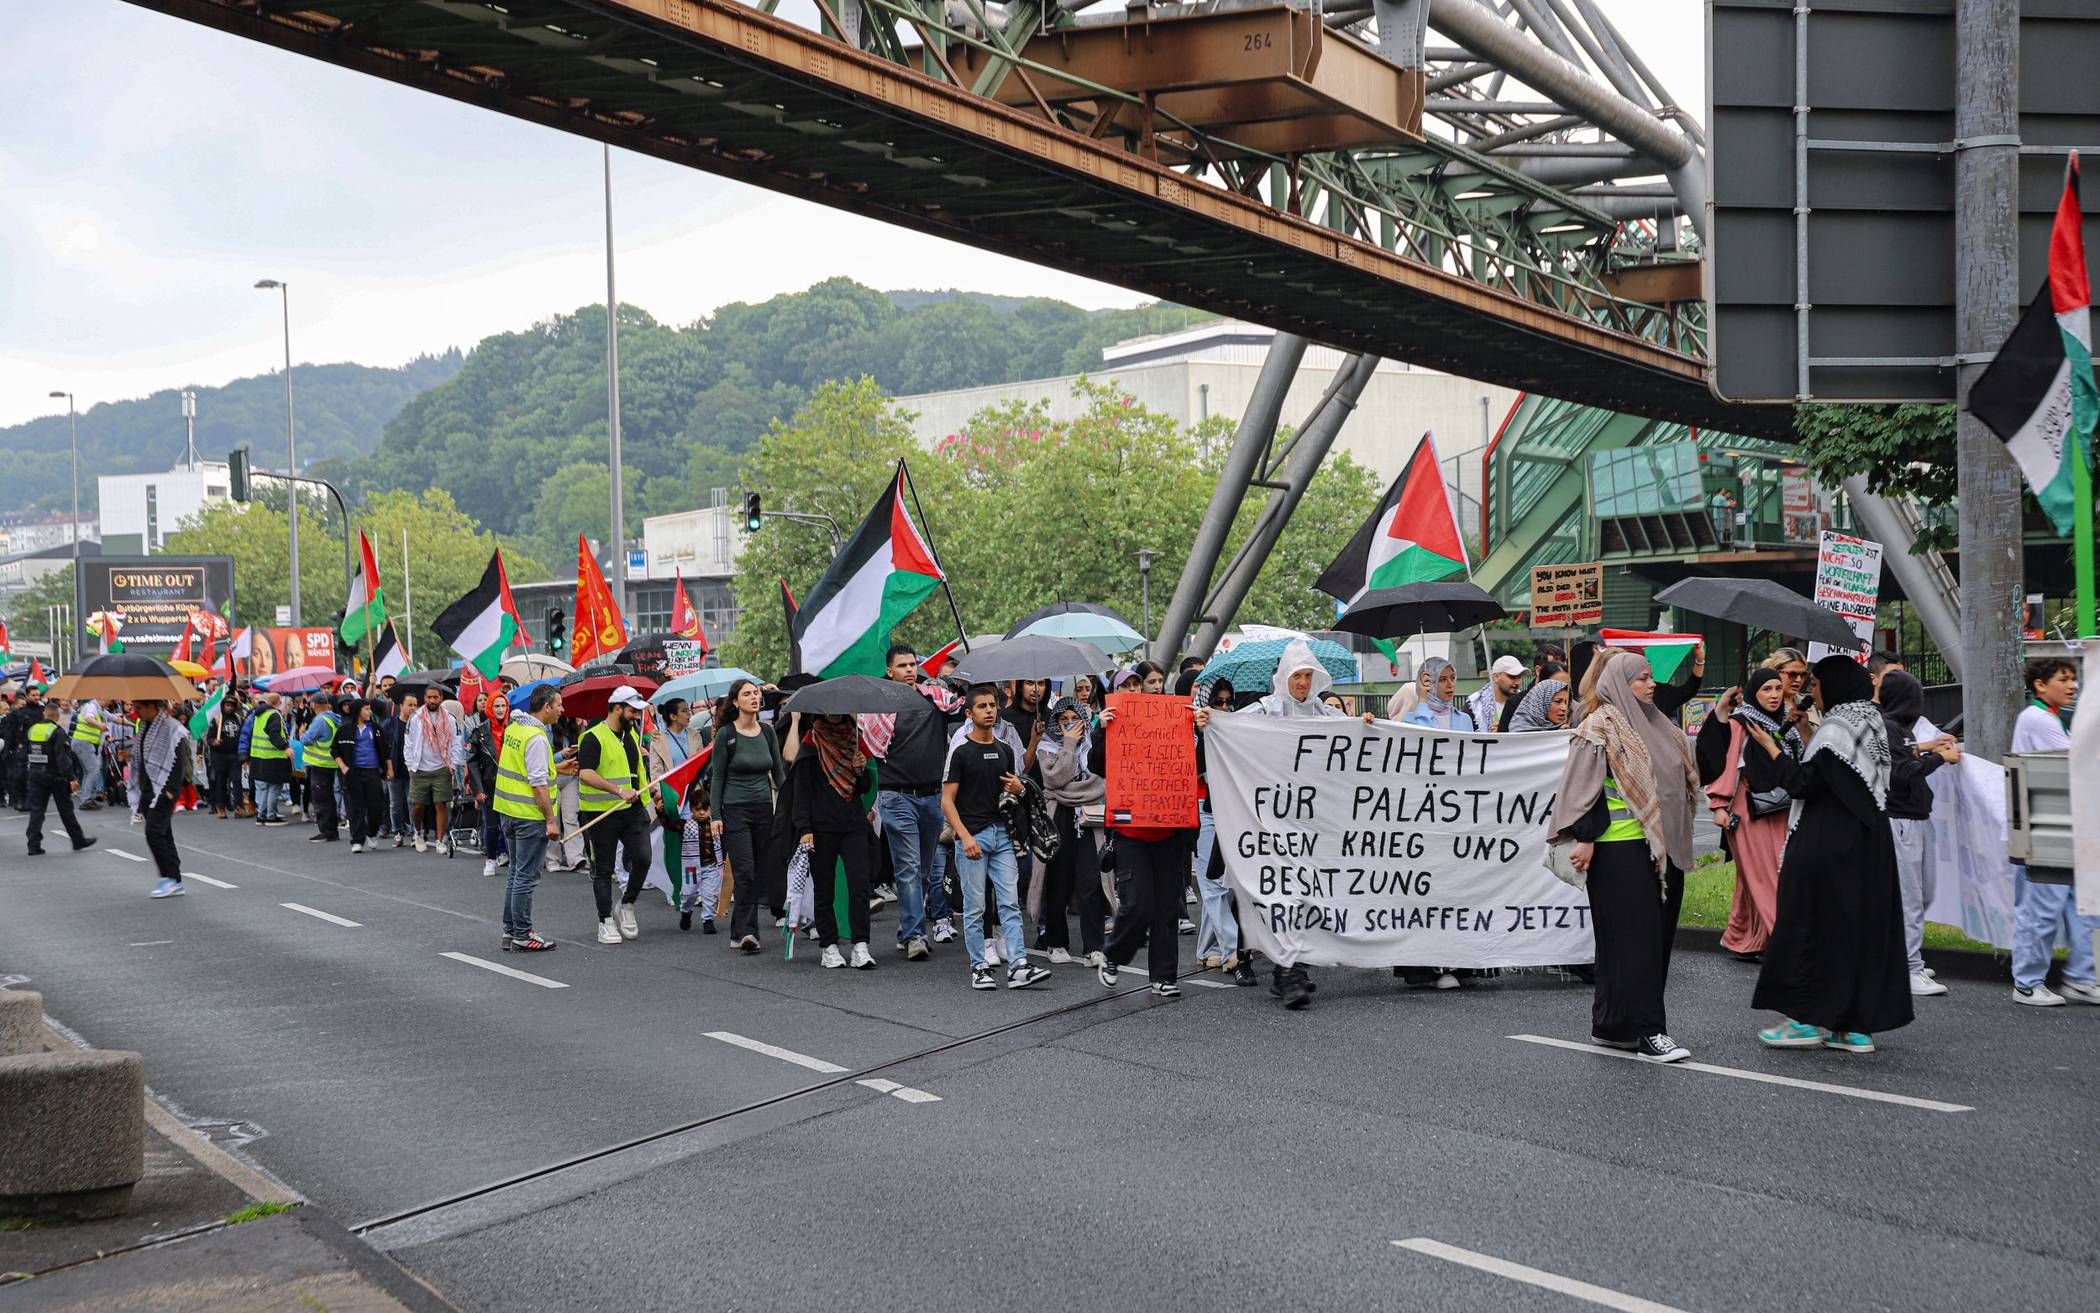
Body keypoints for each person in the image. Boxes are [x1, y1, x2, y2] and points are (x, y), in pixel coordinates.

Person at [1745, 655, 1914, 1053]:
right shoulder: (1867, 721)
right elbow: (1835, 774)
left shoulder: (1837, 727)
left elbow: (1804, 783)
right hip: (1868, 845)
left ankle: (1804, 1020)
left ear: (1835, 686)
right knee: (1856, 932)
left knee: (1809, 925)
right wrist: (1805, 732)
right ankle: (1852, 1026)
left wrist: (1771, 747)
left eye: (1816, 684)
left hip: (1827, 845)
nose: (1810, 692)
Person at [1551, 649, 1701, 1063]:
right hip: (1618, 849)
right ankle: (1650, 1031)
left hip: (1663, 849)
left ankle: (1612, 1025)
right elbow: (1583, 788)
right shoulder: (1598, 726)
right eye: (1642, 678)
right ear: (1619, 682)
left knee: (1652, 939)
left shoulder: (1662, 727)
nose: (1651, 684)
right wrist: (1585, 837)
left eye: (1651, 677)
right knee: (1635, 943)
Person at [943, 685, 1050, 991]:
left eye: (992, 705)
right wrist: (964, 837)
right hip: (972, 837)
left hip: (1002, 834)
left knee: (1009, 903)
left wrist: (1018, 788)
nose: (989, 710)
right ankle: (979, 967)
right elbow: (947, 801)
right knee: (976, 907)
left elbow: (1014, 786)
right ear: (969, 713)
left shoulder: (1004, 749)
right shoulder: (961, 752)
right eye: (981, 706)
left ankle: (1018, 965)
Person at [2006, 657, 2100, 1006]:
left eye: (2074, 679)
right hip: (2044, 832)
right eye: (2064, 679)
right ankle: (2028, 984)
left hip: (2063, 828)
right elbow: (2078, 766)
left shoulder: (2050, 719)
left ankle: (2081, 977)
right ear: (2041, 685)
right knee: (2041, 909)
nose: (2073, 686)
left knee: (2083, 906)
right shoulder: (2039, 720)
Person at [869, 645, 960, 960]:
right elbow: (867, 745)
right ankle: (915, 937)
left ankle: (907, 929)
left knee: (921, 872)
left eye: (912, 664)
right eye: (902, 665)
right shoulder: (877, 708)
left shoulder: (934, 700)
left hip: (932, 796)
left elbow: (965, 706)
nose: (909, 669)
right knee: (908, 869)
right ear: (889, 670)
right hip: (896, 797)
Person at [1704, 669, 1802, 962]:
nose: (1773, 695)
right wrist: (1719, 805)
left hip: (1782, 807)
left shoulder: (1787, 722)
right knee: (1767, 877)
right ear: (1752, 693)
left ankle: (1744, 938)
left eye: (1776, 688)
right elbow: (1727, 763)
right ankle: (1787, 947)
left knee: (1756, 877)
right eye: (1766, 690)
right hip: (1748, 810)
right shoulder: (1741, 722)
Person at [1878, 671, 1959, 996]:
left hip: (1916, 818)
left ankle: (1904, 960)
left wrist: (1928, 748)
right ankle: (1909, 969)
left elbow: (1905, 756)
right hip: (1901, 820)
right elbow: (1898, 772)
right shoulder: (1887, 727)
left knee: (1922, 894)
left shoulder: (1899, 729)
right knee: (1910, 899)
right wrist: (1939, 757)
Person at [793, 712, 879, 970]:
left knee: (859, 883)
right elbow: (801, 788)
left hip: (853, 822)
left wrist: (861, 770)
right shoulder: (811, 741)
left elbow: (863, 786)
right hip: (821, 826)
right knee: (825, 888)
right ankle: (829, 946)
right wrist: (804, 828)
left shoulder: (855, 738)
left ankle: (860, 945)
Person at [708, 678, 785, 953]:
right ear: (736, 701)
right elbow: (718, 777)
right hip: (734, 810)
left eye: (756, 693)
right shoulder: (726, 734)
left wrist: (790, 806)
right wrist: (715, 815)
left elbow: (778, 772)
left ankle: (738, 929)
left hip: (764, 808)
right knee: (745, 871)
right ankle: (748, 932)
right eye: (747, 694)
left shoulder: (767, 732)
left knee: (760, 870)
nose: (754, 697)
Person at [579, 684, 660, 946]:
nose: (636, 716)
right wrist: (617, 790)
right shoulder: (593, 736)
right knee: (603, 869)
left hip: (633, 810)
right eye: (632, 711)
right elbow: (585, 773)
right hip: (601, 813)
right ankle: (605, 921)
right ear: (617, 709)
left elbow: (637, 769)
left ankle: (626, 904)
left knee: (643, 858)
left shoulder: (631, 734)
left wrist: (651, 794)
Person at [491, 683, 563, 953]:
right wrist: (550, 820)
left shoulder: (515, 728)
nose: (561, 709)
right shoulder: (536, 737)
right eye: (558, 704)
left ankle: (511, 931)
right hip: (528, 816)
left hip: (508, 812)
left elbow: (522, 768)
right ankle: (522, 933)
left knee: (514, 874)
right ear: (546, 707)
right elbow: (538, 783)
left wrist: (557, 764)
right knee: (526, 877)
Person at [1036, 695, 1107, 967]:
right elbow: (1053, 778)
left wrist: (1070, 787)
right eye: (1062, 720)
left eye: (1074, 719)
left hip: (1089, 817)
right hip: (1059, 816)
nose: (1069, 724)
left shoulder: (1092, 745)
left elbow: (1099, 782)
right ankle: (1056, 942)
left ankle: (1094, 947)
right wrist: (1068, 744)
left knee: (1092, 880)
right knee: (1058, 880)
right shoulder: (1047, 746)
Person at [23, 697, 95, 857]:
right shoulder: (57, 732)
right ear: (57, 716)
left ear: (44, 714)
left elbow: (27, 751)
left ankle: (33, 845)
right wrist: (72, 778)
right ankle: (78, 840)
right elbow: (62, 758)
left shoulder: (33, 730)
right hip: (54, 776)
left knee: (37, 811)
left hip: (35, 775)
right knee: (66, 810)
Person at [647, 697, 700, 909]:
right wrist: (659, 797)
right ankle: (674, 888)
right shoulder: (658, 739)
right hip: (671, 799)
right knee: (674, 846)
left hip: (693, 798)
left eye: (689, 710)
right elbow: (656, 773)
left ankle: (693, 888)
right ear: (672, 716)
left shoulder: (695, 736)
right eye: (685, 711)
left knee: (693, 847)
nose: (689, 714)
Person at [132, 699, 187, 898]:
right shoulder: (146, 727)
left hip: (164, 790)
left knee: (153, 832)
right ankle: (175, 879)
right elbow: (146, 757)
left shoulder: (171, 728)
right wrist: (127, 756)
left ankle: (168, 877)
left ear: (152, 707)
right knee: (163, 833)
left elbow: (179, 759)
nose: (135, 711)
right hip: (148, 788)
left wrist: (171, 789)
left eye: (138, 708)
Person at [404, 685, 462, 854]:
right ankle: (418, 832)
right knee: (417, 805)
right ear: (424, 698)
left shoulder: (450, 718)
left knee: (441, 804)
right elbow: (408, 743)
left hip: (442, 767)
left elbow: (457, 743)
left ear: (441, 698)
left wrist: (453, 765)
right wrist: (410, 766)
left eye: (435, 697)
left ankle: (440, 838)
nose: (432, 700)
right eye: (429, 697)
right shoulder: (415, 718)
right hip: (419, 768)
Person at [334, 697, 388, 853]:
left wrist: (388, 769)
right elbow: (334, 749)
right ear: (358, 711)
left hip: (373, 772)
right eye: (366, 709)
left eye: (370, 709)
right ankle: (357, 840)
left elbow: (385, 750)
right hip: (354, 773)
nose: (370, 712)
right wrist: (343, 767)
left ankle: (372, 832)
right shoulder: (345, 730)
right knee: (356, 808)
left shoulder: (376, 728)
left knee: (376, 806)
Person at [466, 691, 512, 877]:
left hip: (511, 786)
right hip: (489, 786)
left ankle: (513, 860)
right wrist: (478, 789)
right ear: (490, 708)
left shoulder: (514, 728)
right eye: (496, 706)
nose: (500, 710)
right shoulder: (480, 731)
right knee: (492, 826)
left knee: (510, 826)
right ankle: (491, 860)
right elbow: (472, 762)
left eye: (503, 706)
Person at [299, 690, 343, 844]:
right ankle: (331, 830)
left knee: (320, 800)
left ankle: (326, 831)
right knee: (328, 798)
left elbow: (306, 739)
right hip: (328, 764)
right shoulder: (333, 718)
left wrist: (302, 732)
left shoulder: (320, 720)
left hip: (318, 764)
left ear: (314, 705)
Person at [245, 690, 293, 826]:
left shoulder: (259, 714)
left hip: (258, 756)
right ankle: (270, 816)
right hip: (273, 757)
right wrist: (285, 747)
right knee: (274, 786)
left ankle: (261, 815)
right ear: (278, 703)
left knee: (262, 787)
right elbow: (274, 734)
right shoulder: (274, 715)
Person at [1402, 657, 1476, 731]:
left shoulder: (1465, 720)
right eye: (1442, 679)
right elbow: (1425, 736)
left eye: (1453, 678)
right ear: (1428, 683)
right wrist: (1422, 700)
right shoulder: (1409, 722)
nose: (1450, 684)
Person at [204, 688, 242, 818]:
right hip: (220, 756)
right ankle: (220, 807)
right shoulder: (216, 720)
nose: (230, 708)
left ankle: (238, 806)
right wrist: (214, 741)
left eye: (232, 706)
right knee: (221, 782)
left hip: (235, 755)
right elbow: (208, 739)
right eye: (227, 705)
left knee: (237, 781)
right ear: (222, 706)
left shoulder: (238, 718)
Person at [1466, 655, 1526, 733]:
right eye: (1512, 677)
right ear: (1496, 677)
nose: (1518, 682)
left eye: (1519, 677)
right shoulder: (1475, 705)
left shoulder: (1525, 702)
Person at [69, 697, 107, 810]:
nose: (111, 702)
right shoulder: (91, 707)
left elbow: (114, 718)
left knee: (88, 771)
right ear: (104, 697)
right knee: (94, 769)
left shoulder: (100, 709)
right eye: (110, 699)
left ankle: (86, 799)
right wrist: (100, 725)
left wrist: (131, 724)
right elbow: (88, 718)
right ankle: (86, 800)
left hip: (82, 743)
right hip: (83, 742)